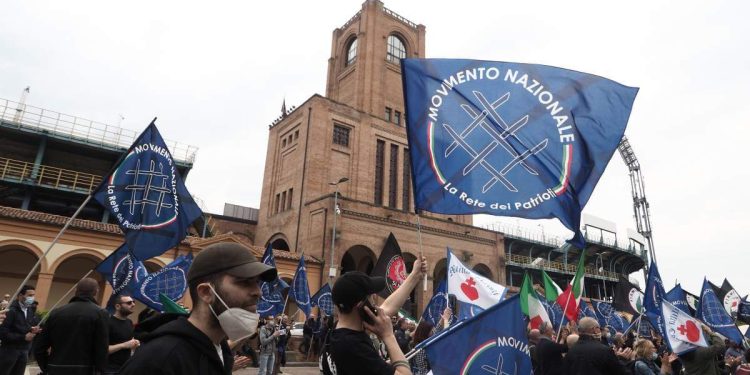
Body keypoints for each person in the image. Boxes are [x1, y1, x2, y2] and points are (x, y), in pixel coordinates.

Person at [119, 242, 276, 375]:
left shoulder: (220, 351)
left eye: (257, 283)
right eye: (245, 282)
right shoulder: (159, 359)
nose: (258, 292)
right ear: (206, 292)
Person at [320, 256, 427, 375]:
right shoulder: (354, 347)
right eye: (371, 296)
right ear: (361, 305)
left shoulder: (337, 332)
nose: (375, 300)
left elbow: (387, 308)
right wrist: (388, 336)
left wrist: (414, 276)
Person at [34, 278, 109, 375]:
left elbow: (40, 347)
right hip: (86, 370)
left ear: (75, 291)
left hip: (56, 368)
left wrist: (47, 367)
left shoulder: (57, 312)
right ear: (96, 292)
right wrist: (100, 370)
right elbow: (101, 348)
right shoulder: (100, 313)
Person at [564, 317, 631, 375]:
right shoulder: (604, 350)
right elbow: (620, 372)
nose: (600, 332)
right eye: (599, 329)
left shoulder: (571, 351)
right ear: (595, 329)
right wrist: (622, 359)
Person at [0, 285, 41, 375]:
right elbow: (3, 333)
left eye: (33, 295)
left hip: (24, 350)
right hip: (9, 351)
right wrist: (23, 337)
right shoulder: (10, 310)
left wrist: (32, 329)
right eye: (29, 295)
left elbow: (25, 326)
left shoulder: (30, 310)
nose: (32, 298)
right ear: (20, 296)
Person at [105, 294, 140, 374]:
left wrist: (134, 343)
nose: (133, 304)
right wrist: (124, 345)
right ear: (118, 306)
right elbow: (103, 349)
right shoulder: (108, 323)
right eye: (129, 303)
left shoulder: (129, 322)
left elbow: (129, 343)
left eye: (133, 302)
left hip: (125, 368)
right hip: (110, 369)